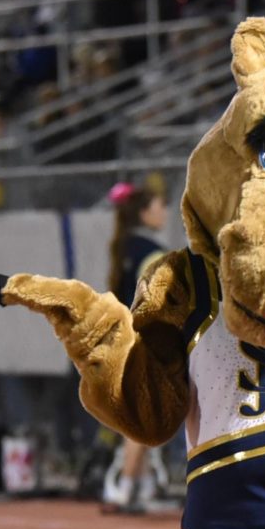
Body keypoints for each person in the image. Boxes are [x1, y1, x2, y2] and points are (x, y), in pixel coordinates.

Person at [102, 181, 171, 509]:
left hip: (121, 340)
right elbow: (154, 303)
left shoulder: (123, 248)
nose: (164, 212)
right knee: (143, 417)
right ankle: (126, 487)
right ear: (144, 213)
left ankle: (140, 485)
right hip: (144, 341)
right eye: (159, 207)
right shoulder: (151, 254)